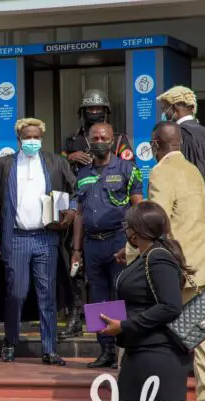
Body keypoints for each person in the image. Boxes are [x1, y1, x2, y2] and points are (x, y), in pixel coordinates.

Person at [119, 121, 205, 401]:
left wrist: (130, 254)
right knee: (200, 333)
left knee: (144, 321)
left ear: (155, 145)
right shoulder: (193, 170)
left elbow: (153, 221)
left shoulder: (161, 172)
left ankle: (137, 396)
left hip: (174, 266)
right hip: (201, 263)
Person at [101, 201, 192, 401]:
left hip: (158, 359)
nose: (125, 230)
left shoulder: (159, 257)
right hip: (139, 356)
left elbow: (170, 306)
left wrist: (125, 326)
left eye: (128, 225)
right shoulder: (145, 256)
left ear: (136, 230)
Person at [0, 118, 76, 366]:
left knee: (46, 295)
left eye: (36, 137)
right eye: (28, 137)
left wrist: (70, 211)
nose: (32, 141)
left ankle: (49, 349)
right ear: (19, 139)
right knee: (16, 293)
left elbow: (74, 191)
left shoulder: (56, 162)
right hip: (16, 237)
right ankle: (10, 342)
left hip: (45, 238)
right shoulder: (4, 165)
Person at [158, 86, 205, 361]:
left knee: (186, 285)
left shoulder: (179, 137)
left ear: (174, 109)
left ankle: (192, 348)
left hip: (192, 222)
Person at [59, 89, 134, 341]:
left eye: (98, 109)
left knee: (118, 287)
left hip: (115, 231)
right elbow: (62, 171)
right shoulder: (73, 141)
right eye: (89, 109)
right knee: (81, 278)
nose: (94, 113)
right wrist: (71, 157)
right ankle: (81, 322)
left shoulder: (121, 140)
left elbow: (133, 192)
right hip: (81, 214)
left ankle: (119, 343)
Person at [72, 122, 143, 369]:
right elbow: (79, 214)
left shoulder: (128, 169)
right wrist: (76, 250)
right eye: (95, 137)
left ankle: (125, 351)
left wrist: (134, 242)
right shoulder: (82, 174)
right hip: (92, 245)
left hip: (119, 241)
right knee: (98, 300)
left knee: (121, 295)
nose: (100, 140)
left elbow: (137, 207)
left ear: (113, 141)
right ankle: (106, 351)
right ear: (89, 141)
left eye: (104, 137)